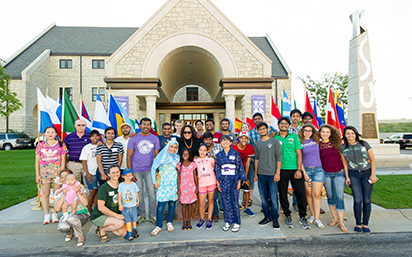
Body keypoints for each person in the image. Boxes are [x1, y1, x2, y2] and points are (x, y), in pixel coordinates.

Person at [340, 126, 377, 234]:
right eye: (348, 134)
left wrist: (373, 175)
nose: (350, 135)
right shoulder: (343, 148)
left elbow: (373, 160)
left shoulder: (364, 144)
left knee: (366, 200)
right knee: (357, 200)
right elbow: (345, 163)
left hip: (367, 173)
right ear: (345, 135)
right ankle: (358, 223)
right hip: (353, 174)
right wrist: (347, 177)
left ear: (356, 134)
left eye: (352, 133)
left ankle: (365, 223)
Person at [274, 117, 309, 229]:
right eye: (281, 123)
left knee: (300, 193)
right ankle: (287, 214)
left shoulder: (294, 137)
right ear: (278, 125)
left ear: (289, 126)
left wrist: (299, 169)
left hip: (295, 169)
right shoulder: (275, 137)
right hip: (281, 169)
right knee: (283, 194)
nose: (283, 125)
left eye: (286, 123)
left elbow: (299, 154)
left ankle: (303, 216)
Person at [127, 117, 160, 226]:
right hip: (136, 170)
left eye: (148, 124)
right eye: (144, 124)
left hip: (149, 170)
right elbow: (129, 156)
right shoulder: (133, 138)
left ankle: (153, 215)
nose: (146, 126)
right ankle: (141, 215)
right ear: (140, 125)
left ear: (150, 126)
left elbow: (157, 156)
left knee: (151, 192)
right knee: (139, 193)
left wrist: (157, 171)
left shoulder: (154, 139)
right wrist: (130, 172)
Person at [35, 126, 68, 224]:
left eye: (52, 132)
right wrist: (37, 175)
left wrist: (61, 173)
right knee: (45, 194)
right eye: (48, 132)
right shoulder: (40, 146)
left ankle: (54, 213)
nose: (50, 134)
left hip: (57, 173)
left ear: (55, 134)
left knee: (57, 194)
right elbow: (37, 160)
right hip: (44, 173)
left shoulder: (61, 145)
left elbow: (63, 160)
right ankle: (46, 214)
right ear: (44, 133)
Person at [319, 124, 348, 232]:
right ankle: (334, 218)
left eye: (327, 132)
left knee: (339, 196)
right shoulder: (318, 145)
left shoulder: (337, 144)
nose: (325, 134)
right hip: (326, 174)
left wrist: (347, 174)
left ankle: (341, 222)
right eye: (323, 132)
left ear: (331, 133)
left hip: (339, 173)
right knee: (330, 196)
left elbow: (343, 160)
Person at [215, 135, 247, 232]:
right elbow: (217, 169)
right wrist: (218, 182)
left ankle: (236, 222)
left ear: (230, 143)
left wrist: (239, 181)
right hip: (223, 181)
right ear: (220, 143)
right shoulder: (219, 155)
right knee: (225, 201)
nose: (225, 143)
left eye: (227, 141)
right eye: (223, 141)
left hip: (234, 180)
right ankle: (228, 221)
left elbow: (239, 167)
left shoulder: (235, 153)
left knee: (234, 201)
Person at [253, 122, 282, 230]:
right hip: (261, 174)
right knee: (264, 198)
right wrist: (255, 173)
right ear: (257, 131)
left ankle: (275, 218)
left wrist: (277, 173)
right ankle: (267, 216)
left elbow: (279, 157)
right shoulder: (257, 144)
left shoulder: (274, 141)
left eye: (264, 129)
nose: (262, 131)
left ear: (267, 129)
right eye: (260, 129)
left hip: (272, 174)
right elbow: (257, 159)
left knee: (273, 198)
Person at [150, 140, 180, 236]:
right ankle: (158, 225)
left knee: (172, 204)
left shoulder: (177, 157)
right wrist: (154, 182)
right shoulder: (161, 156)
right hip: (163, 184)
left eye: (175, 147)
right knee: (161, 205)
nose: (173, 149)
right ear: (167, 146)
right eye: (171, 146)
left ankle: (169, 222)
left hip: (173, 184)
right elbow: (153, 168)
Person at [298, 124, 325, 228]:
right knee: (309, 194)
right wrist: (304, 173)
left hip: (318, 170)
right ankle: (313, 215)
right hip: (306, 171)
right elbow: (299, 159)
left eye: (310, 130)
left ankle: (317, 218)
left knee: (316, 194)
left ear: (313, 132)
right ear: (302, 131)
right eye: (305, 130)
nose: (307, 132)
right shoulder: (299, 142)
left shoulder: (317, 141)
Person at [91, 165, 126, 242]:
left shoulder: (122, 185)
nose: (115, 174)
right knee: (120, 223)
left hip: (113, 214)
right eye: (113, 173)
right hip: (100, 215)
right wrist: (116, 215)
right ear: (108, 174)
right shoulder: (104, 188)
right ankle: (102, 230)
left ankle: (104, 227)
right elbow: (101, 207)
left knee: (122, 233)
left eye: (117, 172)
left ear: (120, 173)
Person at [248, 113, 277, 207]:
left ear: (262, 119)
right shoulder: (251, 133)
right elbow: (248, 146)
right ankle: (265, 206)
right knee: (262, 187)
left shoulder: (270, 129)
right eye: (255, 119)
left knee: (272, 188)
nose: (257, 120)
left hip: (270, 162)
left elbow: (278, 134)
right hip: (257, 161)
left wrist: (273, 135)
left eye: (259, 118)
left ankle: (272, 207)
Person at [55, 169, 89, 247]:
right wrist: (63, 194)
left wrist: (78, 192)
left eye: (66, 177)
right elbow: (56, 209)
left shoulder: (78, 187)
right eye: (62, 177)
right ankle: (69, 232)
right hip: (68, 215)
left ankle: (80, 236)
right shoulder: (60, 190)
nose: (63, 179)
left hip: (81, 215)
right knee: (62, 227)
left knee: (72, 218)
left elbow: (85, 203)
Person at [232, 131, 255, 217]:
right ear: (239, 139)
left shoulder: (250, 148)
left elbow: (248, 163)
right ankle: (235, 207)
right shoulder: (234, 147)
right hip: (234, 172)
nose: (244, 139)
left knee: (246, 189)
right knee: (234, 190)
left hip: (244, 171)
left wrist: (244, 177)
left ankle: (246, 208)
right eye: (242, 138)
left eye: (245, 138)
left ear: (247, 139)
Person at [194, 143, 216, 230]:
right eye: (201, 150)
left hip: (211, 182)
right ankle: (202, 219)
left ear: (207, 151)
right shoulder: (195, 160)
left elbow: (214, 169)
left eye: (204, 150)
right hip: (202, 184)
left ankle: (209, 219)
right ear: (198, 151)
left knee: (210, 201)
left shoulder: (211, 159)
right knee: (202, 203)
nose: (202, 152)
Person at [203, 131, 224, 222]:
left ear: (212, 139)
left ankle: (224, 209)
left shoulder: (219, 146)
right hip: (208, 175)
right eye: (206, 140)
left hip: (219, 173)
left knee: (221, 193)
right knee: (212, 196)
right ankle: (215, 213)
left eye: (209, 139)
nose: (208, 141)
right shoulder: (202, 149)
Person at [64, 119, 91, 185]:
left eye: (83, 125)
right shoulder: (69, 137)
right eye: (78, 125)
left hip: (88, 164)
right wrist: (65, 163)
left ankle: (86, 195)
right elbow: (65, 152)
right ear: (75, 126)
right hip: (74, 164)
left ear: (86, 126)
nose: (81, 127)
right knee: (74, 184)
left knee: (88, 184)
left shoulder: (90, 136)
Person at [177, 148, 198, 230]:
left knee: (190, 205)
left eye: (187, 154)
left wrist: (197, 187)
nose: (185, 155)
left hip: (191, 187)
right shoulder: (179, 165)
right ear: (181, 155)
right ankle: (184, 221)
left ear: (189, 155)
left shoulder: (192, 164)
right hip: (183, 187)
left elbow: (195, 176)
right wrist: (178, 188)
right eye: (183, 154)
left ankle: (188, 221)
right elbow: (178, 177)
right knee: (184, 205)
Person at [79, 129, 100, 213]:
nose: (95, 138)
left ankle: (95, 209)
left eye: (96, 136)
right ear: (90, 138)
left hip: (99, 173)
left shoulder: (101, 145)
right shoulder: (86, 147)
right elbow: (83, 161)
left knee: (98, 191)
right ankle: (88, 209)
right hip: (91, 173)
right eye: (93, 136)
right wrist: (87, 173)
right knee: (92, 191)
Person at [118, 168, 140, 240]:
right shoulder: (121, 185)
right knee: (127, 219)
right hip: (125, 206)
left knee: (134, 218)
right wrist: (120, 204)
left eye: (130, 175)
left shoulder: (133, 184)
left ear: (132, 176)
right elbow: (119, 194)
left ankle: (134, 229)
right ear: (123, 176)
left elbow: (136, 192)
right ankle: (129, 232)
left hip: (133, 204)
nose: (128, 177)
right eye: (126, 176)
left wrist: (138, 200)